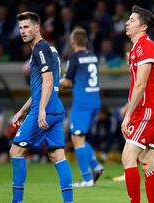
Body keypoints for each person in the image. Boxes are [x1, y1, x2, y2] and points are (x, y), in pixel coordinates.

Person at [9, 12, 73, 203]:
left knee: (16, 151)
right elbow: (41, 87)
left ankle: (17, 201)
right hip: (55, 108)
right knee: (57, 155)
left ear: (37, 28)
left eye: (27, 27)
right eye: (20, 28)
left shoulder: (40, 49)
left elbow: (48, 81)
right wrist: (22, 110)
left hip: (44, 109)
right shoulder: (50, 49)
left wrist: (41, 110)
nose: (23, 31)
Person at [121, 5, 154, 203]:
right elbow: (134, 87)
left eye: (132, 20)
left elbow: (141, 84)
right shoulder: (136, 49)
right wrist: (129, 109)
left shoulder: (147, 46)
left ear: (143, 27)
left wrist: (128, 115)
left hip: (148, 111)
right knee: (147, 162)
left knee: (128, 156)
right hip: (143, 111)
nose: (127, 23)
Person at [60, 27, 103, 187]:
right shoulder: (93, 56)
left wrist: (55, 83)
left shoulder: (74, 57)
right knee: (80, 137)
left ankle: (87, 179)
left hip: (82, 103)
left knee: (77, 139)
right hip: (94, 102)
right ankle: (95, 166)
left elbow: (67, 81)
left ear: (72, 42)